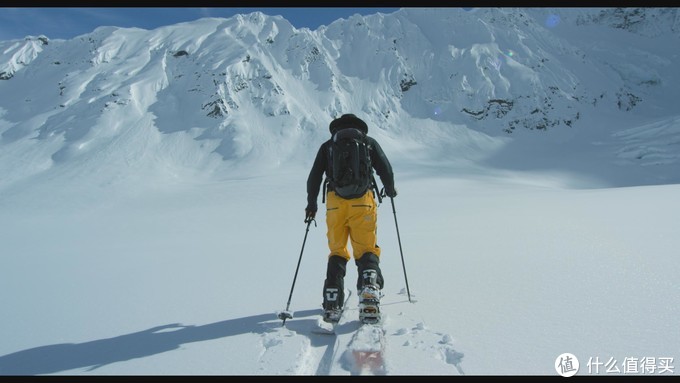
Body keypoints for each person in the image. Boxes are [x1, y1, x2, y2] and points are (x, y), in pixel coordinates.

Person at [305, 113, 397, 323]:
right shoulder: (368, 143)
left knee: (337, 250)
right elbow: (386, 168)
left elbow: (314, 177)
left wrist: (311, 205)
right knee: (366, 249)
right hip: (363, 203)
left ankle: (332, 301)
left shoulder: (328, 146)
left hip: (335, 205)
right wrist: (390, 189)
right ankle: (369, 289)